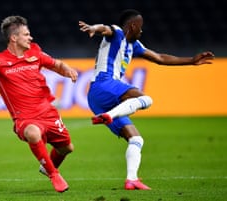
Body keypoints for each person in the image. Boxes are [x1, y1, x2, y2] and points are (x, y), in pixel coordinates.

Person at [79, 9, 214, 190]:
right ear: (133, 26)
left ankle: (132, 179)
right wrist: (93, 28)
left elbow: (159, 58)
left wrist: (191, 60)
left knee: (136, 139)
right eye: (140, 27)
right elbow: (105, 28)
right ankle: (109, 115)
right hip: (104, 84)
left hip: (99, 99)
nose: (142, 31)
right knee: (146, 99)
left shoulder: (134, 45)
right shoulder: (117, 33)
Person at [0, 15, 78, 193]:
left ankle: (46, 165)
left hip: (48, 112)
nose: (30, 37)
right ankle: (54, 174)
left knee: (67, 148)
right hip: (25, 118)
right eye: (26, 34)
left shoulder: (35, 52)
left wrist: (67, 70)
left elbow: (56, 64)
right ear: (14, 38)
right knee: (33, 133)